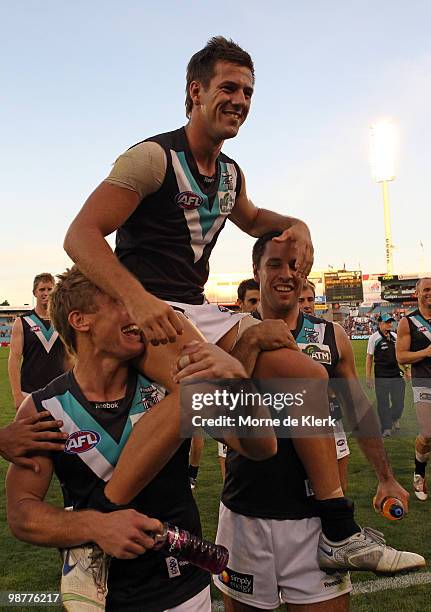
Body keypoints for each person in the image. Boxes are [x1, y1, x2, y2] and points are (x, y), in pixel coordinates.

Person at [63, 35, 374, 542]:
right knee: (208, 398)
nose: (241, 101)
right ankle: (95, 525)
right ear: (195, 91)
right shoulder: (152, 158)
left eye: (248, 92)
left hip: (195, 308)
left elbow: (254, 221)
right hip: (142, 306)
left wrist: (300, 224)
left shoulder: (230, 174)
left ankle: (338, 528)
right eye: (229, 87)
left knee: (303, 373)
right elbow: (80, 235)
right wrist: (138, 300)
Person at [6, 267, 275, 612]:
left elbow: (261, 445)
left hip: (183, 591)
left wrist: (237, 380)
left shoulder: (173, 384)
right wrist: (97, 525)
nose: (141, 310)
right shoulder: (43, 408)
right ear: (80, 320)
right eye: (122, 301)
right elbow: (22, 512)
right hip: (103, 600)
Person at [210, 232, 424, 612]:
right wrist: (251, 343)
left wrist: (386, 476)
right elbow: (209, 410)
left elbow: (358, 409)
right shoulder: (228, 333)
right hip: (246, 511)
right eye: (274, 264)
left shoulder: (332, 336)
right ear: (256, 271)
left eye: (294, 265)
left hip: (319, 520)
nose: (285, 274)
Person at [299, 280, 350, 493]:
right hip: (299, 422)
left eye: (310, 299)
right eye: (301, 299)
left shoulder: (329, 332)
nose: (307, 304)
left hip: (332, 418)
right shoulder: (278, 333)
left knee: (339, 486)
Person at [8, 273, 69, 410]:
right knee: (30, 431)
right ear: (34, 292)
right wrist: (17, 395)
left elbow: (68, 358)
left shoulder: (62, 321)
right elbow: (14, 359)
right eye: (42, 289)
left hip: (59, 394)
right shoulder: (22, 321)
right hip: (29, 393)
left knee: (60, 431)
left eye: (49, 289)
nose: (46, 293)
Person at [396, 277, 431, 501]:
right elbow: (401, 356)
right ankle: (419, 474)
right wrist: (426, 353)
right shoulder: (407, 323)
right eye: (426, 289)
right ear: (417, 293)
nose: (430, 292)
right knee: (427, 434)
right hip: (424, 382)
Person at [366, 314, 408, 437]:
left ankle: (394, 417)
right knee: (383, 403)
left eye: (391, 322)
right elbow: (369, 358)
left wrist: (406, 369)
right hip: (381, 376)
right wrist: (368, 377)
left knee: (399, 402)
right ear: (380, 324)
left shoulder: (395, 337)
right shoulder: (373, 338)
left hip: (396, 374)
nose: (390, 324)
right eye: (387, 322)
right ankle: (386, 427)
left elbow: (400, 355)